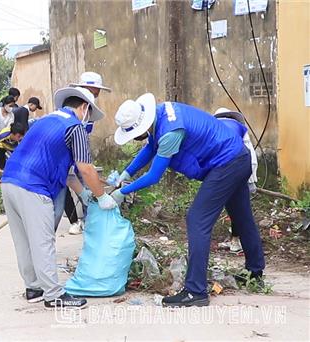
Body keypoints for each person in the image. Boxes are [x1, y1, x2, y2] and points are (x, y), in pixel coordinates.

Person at [110, 94, 265, 307]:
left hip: (226, 163)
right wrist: (126, 173)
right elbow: (150, 149)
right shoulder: (161, 114)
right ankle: (254, 272)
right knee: (241, 216)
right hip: (237, 157)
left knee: (197, 219)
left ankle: (195, 291)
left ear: (142, 126)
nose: (135, 138)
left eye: (134, 134)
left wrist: (122, 192)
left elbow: (154, 176)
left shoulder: (170, 133)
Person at [1, 86, 117, 309]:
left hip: (10, 181)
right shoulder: (75, 127)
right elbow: (86, 168)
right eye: (89, 114)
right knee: (43, 241)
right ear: (83, 107)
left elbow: (68, 174)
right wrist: (102, 196)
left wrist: (84, 193)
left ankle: (34, 287)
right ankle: (54, 295)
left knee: (23, 239)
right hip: (34, 187)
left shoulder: (45, 120)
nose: (88, 120)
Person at [63, 71, 112, 235]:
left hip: (79, 154)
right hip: (67, 156)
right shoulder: (71, 109)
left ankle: (88, 221)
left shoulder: (89, 111)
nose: (95, 96)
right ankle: (76, 221)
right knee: (66, 189)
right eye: (94, 92)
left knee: (86, 189)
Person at [214, 107, 259, 254]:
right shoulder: (237, 129)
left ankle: (236, 239)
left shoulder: (226, 130)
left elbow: (248, 154)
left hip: (233, 174)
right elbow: (250, 154)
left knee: (238, 211)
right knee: (239, 210)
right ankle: (239, 241)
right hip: (238, 172)